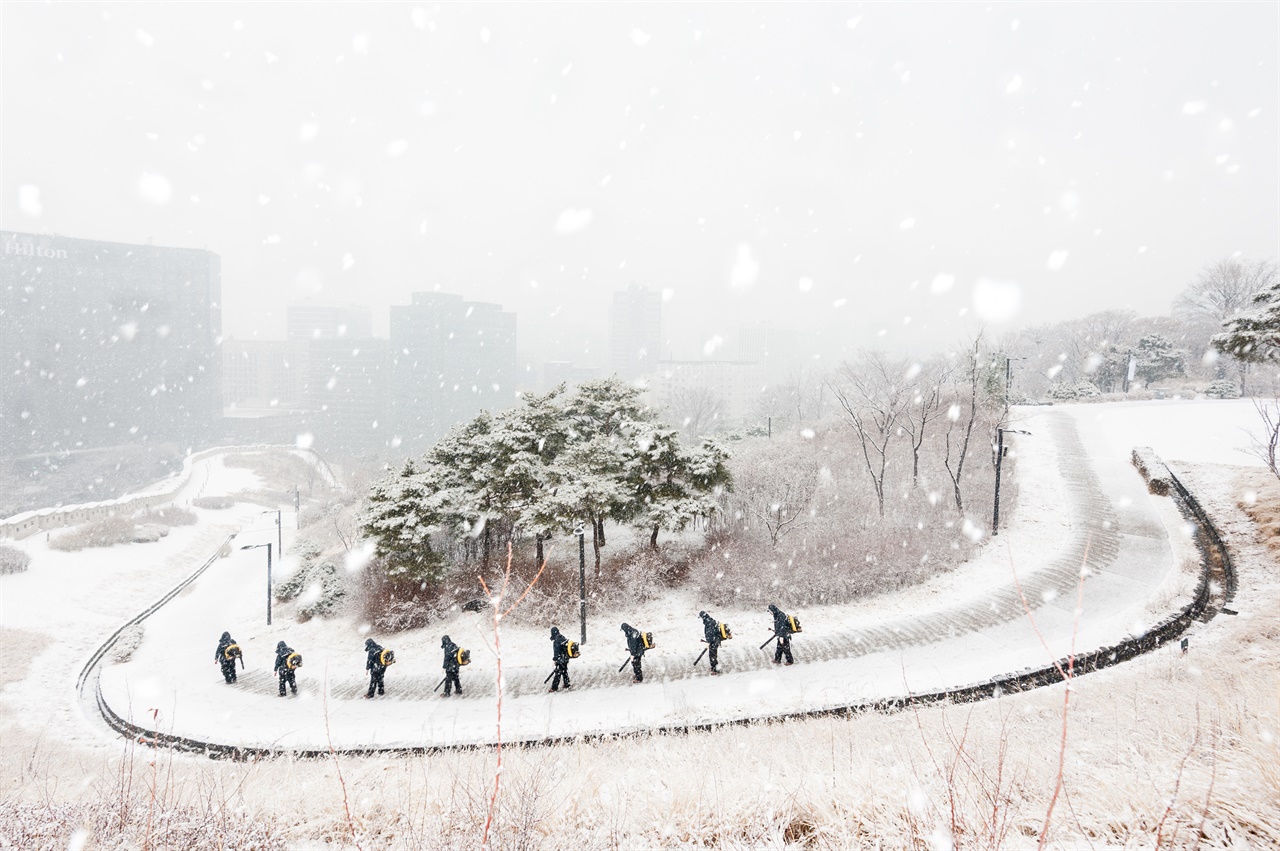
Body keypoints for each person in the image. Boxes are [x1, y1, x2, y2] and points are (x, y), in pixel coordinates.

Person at [549, 626, 572, 692]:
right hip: (565, 658)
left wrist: (555, 659)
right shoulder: (562, 637)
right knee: (564, 671)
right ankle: (567, 684)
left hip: (561, 659)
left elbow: (556, 652)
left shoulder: (556, 640)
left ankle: (554, 688)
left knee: (558, 673)